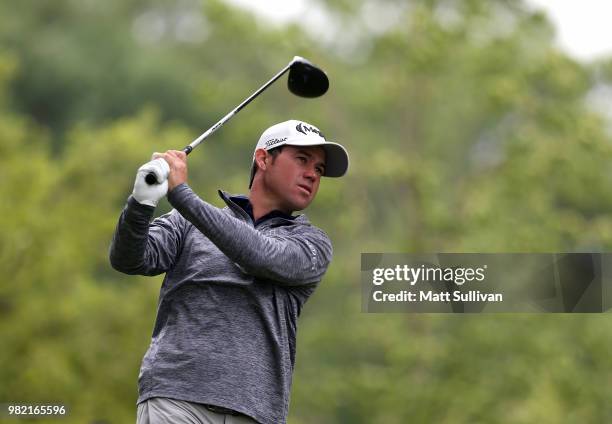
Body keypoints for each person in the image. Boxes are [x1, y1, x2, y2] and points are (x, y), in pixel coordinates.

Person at [109, 120, 349, 424]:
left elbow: (259, 255)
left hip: (255, 412)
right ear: (263, 159)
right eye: (302, 159)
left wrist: (182, 194)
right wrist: (140, 204)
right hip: (176, 398)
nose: (312, 174)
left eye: (319, 169)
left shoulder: (313, 244)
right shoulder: (186, 223)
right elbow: (129, 259)